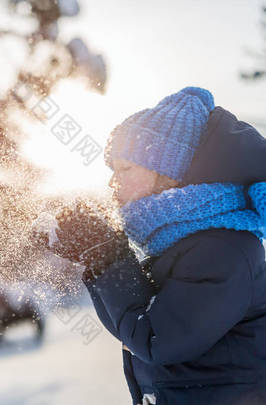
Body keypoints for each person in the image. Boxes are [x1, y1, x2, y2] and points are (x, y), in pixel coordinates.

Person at [47, 87, 266, 404]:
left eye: (126, 169)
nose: (113, 182)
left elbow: (156, 339)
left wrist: (110, 258)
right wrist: (95, 257)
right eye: (112, 170)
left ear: (171, 175)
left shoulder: (223, 249)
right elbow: (131, 329)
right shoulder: (177, 243)